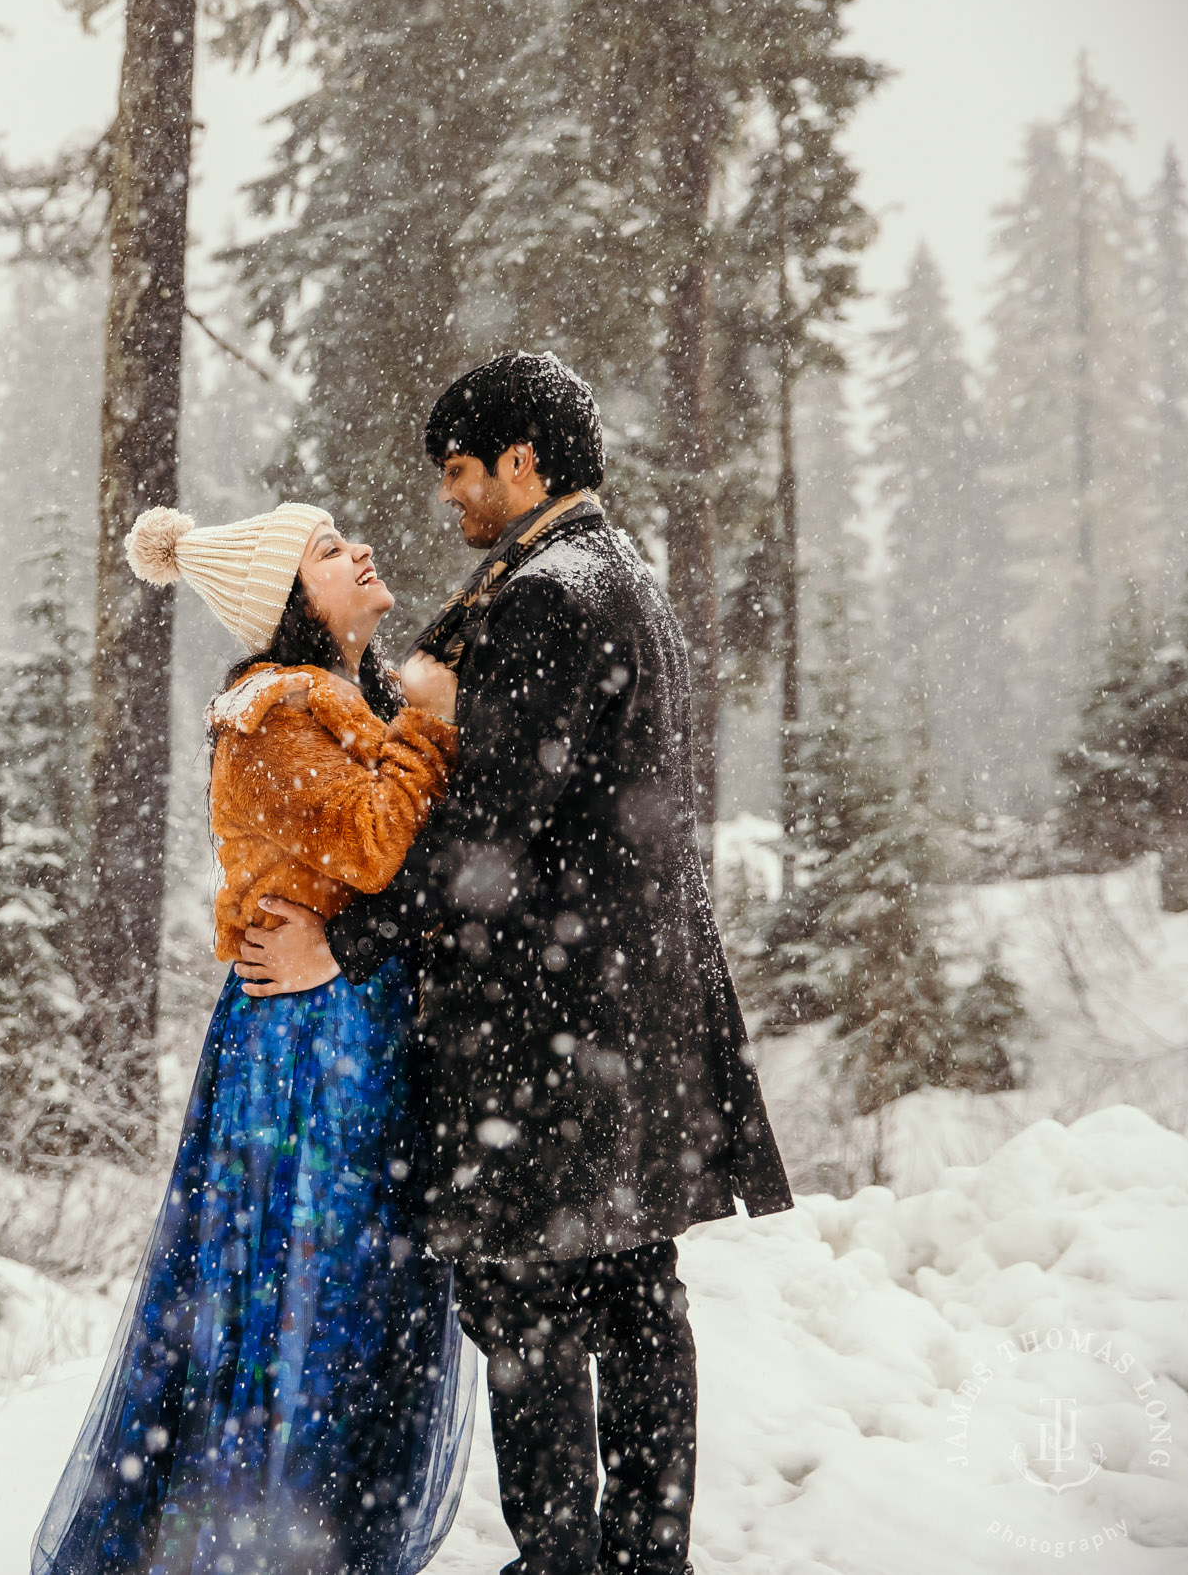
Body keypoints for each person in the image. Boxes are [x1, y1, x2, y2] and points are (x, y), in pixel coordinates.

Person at [236, 353, 794, 1575]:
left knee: (532, 1301)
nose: (446, 497)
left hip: (553, 1021)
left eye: (458, 471)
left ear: (523, 461)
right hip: (623, 1006)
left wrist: (346, 938)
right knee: (635, 1294)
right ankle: (645, 1557)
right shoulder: (609, 578)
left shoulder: (552, 594)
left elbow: (486, 821)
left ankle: (563, 1560)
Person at [34, 500, 477, 1575]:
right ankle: (263, 1545)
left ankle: (316, 1538)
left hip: (348, 1023)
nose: (359, 549)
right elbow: (376, 846)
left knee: (350, 1293)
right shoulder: (272, 713)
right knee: (302, 1298)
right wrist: (431, 718)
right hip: (305, 1054)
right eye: (327, 549)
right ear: (287, 598)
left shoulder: (342, 699)